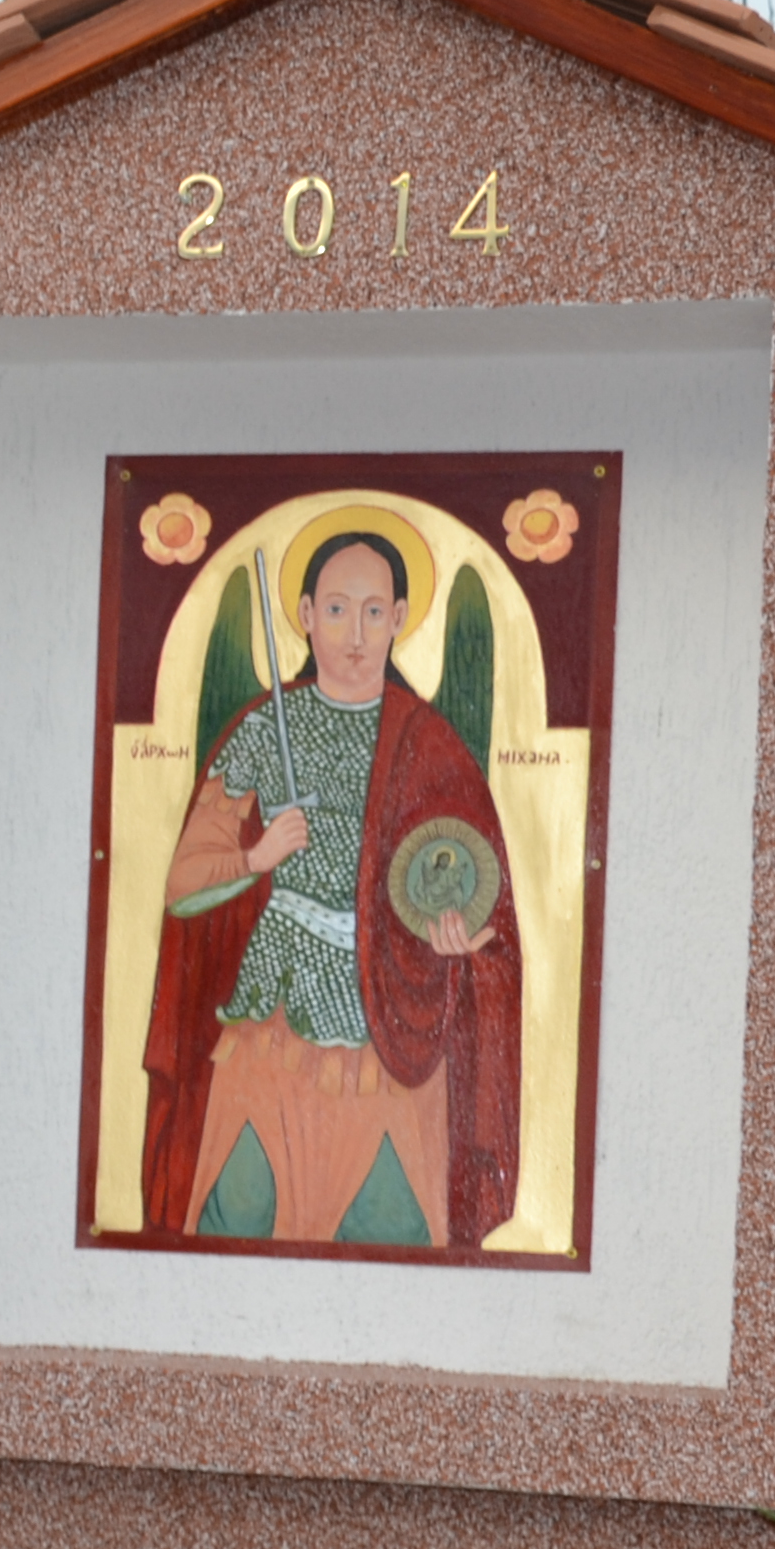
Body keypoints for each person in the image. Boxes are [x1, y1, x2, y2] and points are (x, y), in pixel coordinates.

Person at [140, 513, 520, 1249]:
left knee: (392, 1227)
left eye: (374, 612)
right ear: (306, 615)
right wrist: (256, 859)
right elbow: (184, 882)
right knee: (240, 1215)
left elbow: (482, 902)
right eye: (337, 610)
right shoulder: (262, 729)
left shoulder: (429, 743)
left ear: (400, 621)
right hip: (270, 1018)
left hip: (393, 1024)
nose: (354, 634)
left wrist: (456, 945)